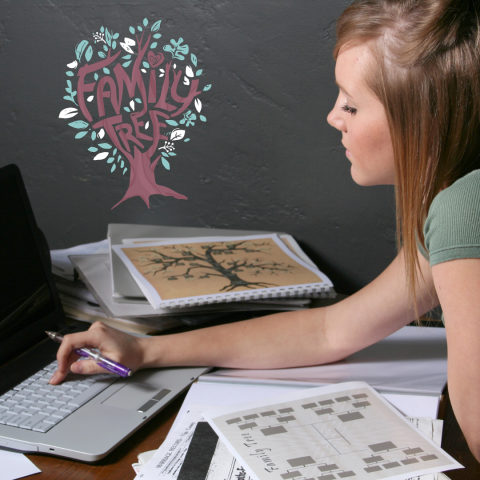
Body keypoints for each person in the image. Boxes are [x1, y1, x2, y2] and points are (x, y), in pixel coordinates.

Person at [51, 0, 480, 461]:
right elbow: (331, 332)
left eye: (352, 105)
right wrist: (142, 350)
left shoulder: (463, 206)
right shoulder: (455, 199)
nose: (335, 117)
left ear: (426, 115)